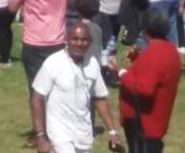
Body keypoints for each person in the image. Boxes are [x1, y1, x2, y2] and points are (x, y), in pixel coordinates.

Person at [10, 0, 70, 145]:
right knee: (57, 89)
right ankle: (57, 129)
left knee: (37, 90)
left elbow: (12, 6)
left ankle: (40, 134)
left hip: (35, 42)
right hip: (58, 41)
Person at [30, 21, 121, 153]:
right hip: (59, 134)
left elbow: (99, 98)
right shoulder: (53, 62)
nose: (79, 43)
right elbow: (37, 98)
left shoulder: (93, 63)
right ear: (66, 40)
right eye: (75, 39)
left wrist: (112, 131)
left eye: (84, 40)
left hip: (84, 134)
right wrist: (40, 135)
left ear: (90, 42)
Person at [108, 8, 182, 153]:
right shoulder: (169, 49)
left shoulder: (154, 53)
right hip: (154, 122)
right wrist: (138, 59)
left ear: (145, 29)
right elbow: (154, 74)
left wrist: (120, 72)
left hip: (144, 124)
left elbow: (144, 88)